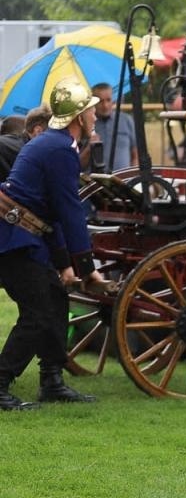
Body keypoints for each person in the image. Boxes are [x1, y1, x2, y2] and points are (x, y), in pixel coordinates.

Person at [0, 83, 109, 409]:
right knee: (38, 313)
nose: (95, 114)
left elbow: (51, 216)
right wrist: (87, 269)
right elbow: (69, 212)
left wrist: (66, 265)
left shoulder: (55, 143)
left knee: (56, 298)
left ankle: (52, 379)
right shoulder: (61, 149)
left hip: (23, 235)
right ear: (79, 115)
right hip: (14, 239)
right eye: (90, 109)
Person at [85, 82, 140, 174]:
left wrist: (132, 176)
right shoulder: (87, 123)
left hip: (123, 182)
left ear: (113, 100)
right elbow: (78, 164)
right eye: (100, 101)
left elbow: (135, 155)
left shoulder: (126, 120)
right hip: (95, 183)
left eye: (108, 100)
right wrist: (88, 149)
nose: (105, 105)